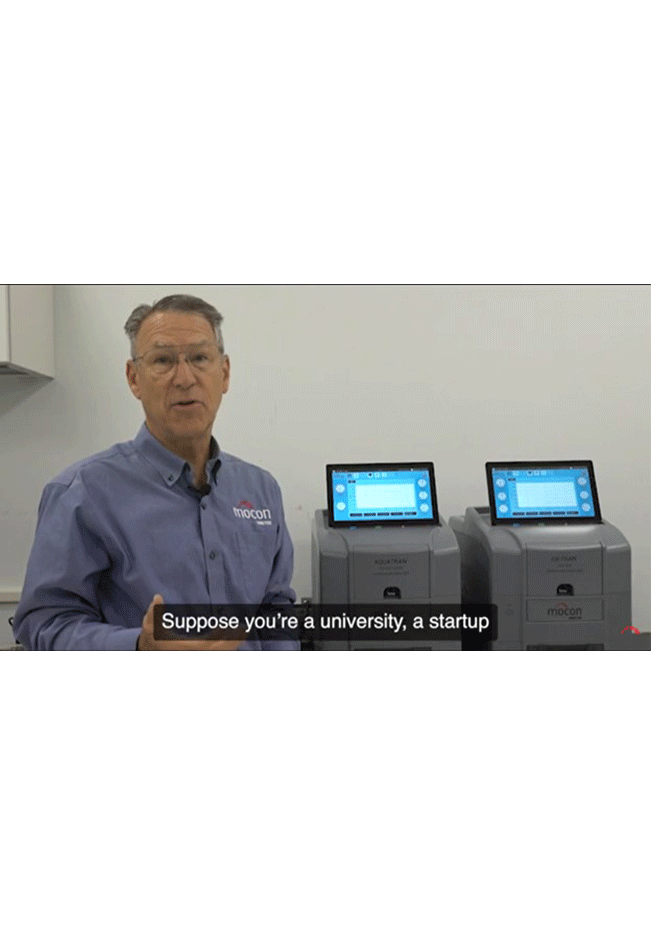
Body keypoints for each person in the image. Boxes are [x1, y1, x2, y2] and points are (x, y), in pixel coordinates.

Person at [12, 294, 299, 651]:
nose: (185, 378)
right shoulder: (82, 493)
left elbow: (276, 609)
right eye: (163, 360)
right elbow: (44, 624)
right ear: (134, 378)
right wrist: (139, 647)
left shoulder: (261, 490)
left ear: (224, 373)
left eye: (199, 358)